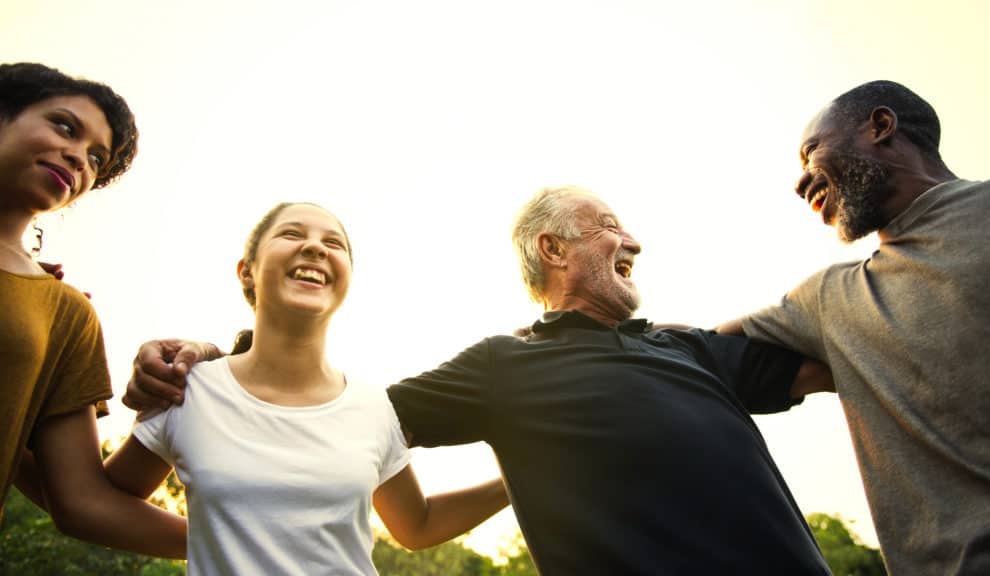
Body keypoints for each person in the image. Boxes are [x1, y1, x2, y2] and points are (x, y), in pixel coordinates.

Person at [126, 187, 833, 574]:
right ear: (553, 249)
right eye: (610, 226)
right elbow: (328, 419)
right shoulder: (506, 366)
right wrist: (212, 357)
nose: (634, 241)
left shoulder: (692, 348)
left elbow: (839, 362)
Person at [717, 80, 990, 574]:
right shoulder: (830, 301)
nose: (800, 184)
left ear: (880, 126)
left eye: (810, 153)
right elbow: (693, 351)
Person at [105, 202, 509, 575]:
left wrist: (518, 476)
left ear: (346, 277)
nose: (316, 247)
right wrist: (215, 538)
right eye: (292, 234)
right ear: (247, 270)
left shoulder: (373, 406)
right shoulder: (187, 389)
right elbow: (96, 502)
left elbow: (416, 526)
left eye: (333, 242)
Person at [0, 62, 186, 557]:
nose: (79, 157)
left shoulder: (64, 312)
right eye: (64, 126)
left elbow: (81, 501)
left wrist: (257, 542)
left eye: (96, 158)